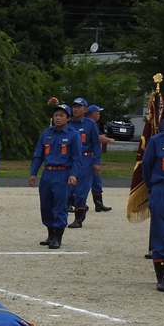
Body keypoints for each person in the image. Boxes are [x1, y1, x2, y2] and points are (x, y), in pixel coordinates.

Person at [28, 103, 81, 250]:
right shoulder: (46, 134)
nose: (57, 118)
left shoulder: (73, 135)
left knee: (59, 205)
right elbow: (38, 155)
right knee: (46, 205)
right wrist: (34, 173)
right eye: (56, 115)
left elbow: (77, 158)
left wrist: (73, 174)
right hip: (48, 173)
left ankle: (58, 237)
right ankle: (50, 233)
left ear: (68, 118)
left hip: (63, 173)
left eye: (61, 115)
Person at [141, 105, 164, 292]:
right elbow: (147, 167)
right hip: (162, 189)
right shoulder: (157, 141)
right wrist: (155, 188)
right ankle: (162, 278)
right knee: (161, 233)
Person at [68, 97, 105, 227]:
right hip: (72, 160)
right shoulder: (69, 123)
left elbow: (96, 143)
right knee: (67, 188)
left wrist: (96, 162)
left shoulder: (90, 124)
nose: (76, 109)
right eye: (74, 107)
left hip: (86, 159)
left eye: (79, 107)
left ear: (85, 109)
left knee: (81, 190)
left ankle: (78, 218)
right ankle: (80, 206)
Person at [83, 104, 111, 211]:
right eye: (98, 113)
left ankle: (98, 203)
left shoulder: (94, 124)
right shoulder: (88, 124)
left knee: (96, 180)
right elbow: (98, 138)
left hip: (93, 156)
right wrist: (109, 140)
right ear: (94, 114)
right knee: (81, 182)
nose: (99, 115)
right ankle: (75, 202)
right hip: (86, 156)